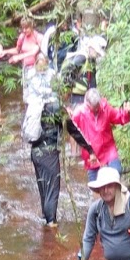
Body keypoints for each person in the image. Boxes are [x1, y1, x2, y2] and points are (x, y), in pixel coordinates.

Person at [21, 57, 92, 225]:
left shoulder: (33, 106)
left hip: (36, 153)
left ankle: (45, 219)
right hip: (50, 153)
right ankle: (51, 224)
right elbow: (73, 130)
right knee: (52, 189)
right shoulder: (56, 108)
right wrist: (90, 149)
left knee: (43, 187)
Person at [70, 87, 130, 175]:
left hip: (109, 150)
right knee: (95, 182)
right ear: (87, 104)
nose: (96, 109)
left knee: (116, 172)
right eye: (94, 107)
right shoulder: (79, 113)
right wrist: (74, 151)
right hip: (92, 155)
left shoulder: (105, 108)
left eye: (97, 105)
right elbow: (72, 129)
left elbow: (118, 117)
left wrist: (126, 113)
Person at [1, 15, 45, 99]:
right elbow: (17, 50)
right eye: (23, 28)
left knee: (36, 93)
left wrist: (18, 57)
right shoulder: (22, 36)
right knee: (26, 94)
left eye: (26, 28)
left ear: (32, 26)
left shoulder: (39, 37)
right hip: (25, 68)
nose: (24, 30)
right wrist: (5, 51)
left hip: (37, 69)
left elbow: (33, 52)